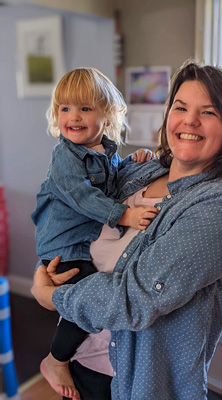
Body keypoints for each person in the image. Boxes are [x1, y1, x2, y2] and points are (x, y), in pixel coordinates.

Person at [31, 60, 222, 400]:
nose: (190, 121)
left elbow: (134, 299)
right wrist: (42, 272)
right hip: (80, 364)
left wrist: (51, 296)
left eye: (208, 112)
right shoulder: (138, 172)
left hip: (133, 383)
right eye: (180, 107)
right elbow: (76, 220)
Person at [31, 67, 158, 400]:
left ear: (108, 114)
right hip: (65, 243)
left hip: (82, 241)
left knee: (88, 297)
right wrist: (125, 215)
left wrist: (134, 161)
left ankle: (63, 356)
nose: (74, 117)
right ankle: (56, 360)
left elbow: (115, 182)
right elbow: (84, 196)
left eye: (85, 109)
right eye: (65, 108)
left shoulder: (106, 150)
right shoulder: (65, 155)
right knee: (89, 300)